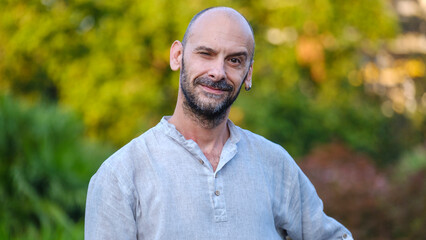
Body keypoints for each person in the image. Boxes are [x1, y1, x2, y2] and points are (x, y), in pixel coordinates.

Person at [85, 6, 353, 240]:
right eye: (206, 54)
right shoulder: (120, 175)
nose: (218, 72)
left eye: (234, 60)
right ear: (177, 56)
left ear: (248, 74)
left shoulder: (274, 164)